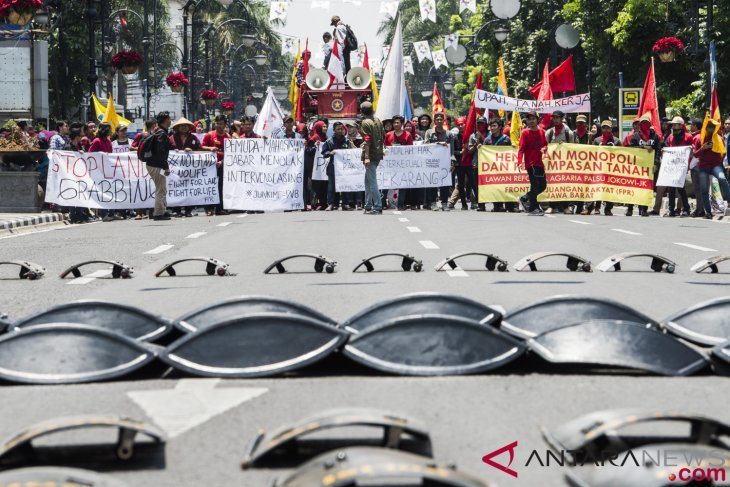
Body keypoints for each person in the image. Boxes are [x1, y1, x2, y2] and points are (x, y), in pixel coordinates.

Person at [627, 113, 661, 217]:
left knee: (646, 188)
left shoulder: (655, 136)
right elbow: (632, 149)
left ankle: (644, 209)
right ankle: (630, 208)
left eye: (647, 123)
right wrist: (644, 148)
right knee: (634, 187)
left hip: (649, 167)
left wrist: (656, 164)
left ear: (650, 124)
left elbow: (657, 151)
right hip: (637, 166)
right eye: (643, 123)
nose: (645, 125)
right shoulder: (636, 136)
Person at [694, 118, 729, 219]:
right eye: (709, 127)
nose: (710, 129)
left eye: (712, 127)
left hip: (715, 166)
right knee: (704, 190)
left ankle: (729, 199)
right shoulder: (698, 138)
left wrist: (719, 161)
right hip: (703, 167)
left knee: (722, 178)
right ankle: (708, 213)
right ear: (705, 127)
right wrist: (703, 148)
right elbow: (695, 155)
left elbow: (723, 152)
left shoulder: (719, 138)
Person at [476, 117, 512, 212]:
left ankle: (510, 206)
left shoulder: (506, 139)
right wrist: (481, 147)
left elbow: (511, 153)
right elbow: (484, 155)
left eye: (494, 126)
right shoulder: (487, 140)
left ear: (500, 127)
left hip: (504, 168)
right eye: (491, 126)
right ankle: (497, 205)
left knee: (506, 186)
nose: (492, 128)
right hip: (492, 169)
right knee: (495, 186)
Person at [518, 111, 548, 216]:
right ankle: (532, 208)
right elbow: (521, 149)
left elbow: (545, 144)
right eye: (529, 119)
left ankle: (525, 198)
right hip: (530, 163)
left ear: (537, 120)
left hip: (540, 163)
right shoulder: (525, 133)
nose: (531, 121)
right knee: (534, 186)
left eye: (533, 119)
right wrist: (519, 162)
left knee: (543, 185)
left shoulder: (542, 132)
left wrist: (544, 149)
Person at [544, 110, 575, 214]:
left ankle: (565, 206)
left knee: (564, 184)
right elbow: (545, 146)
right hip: (552, 164)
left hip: (564, 164)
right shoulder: (549, 132)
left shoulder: (568, 133)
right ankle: (551, 206)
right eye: (554, 117)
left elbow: (573, 148)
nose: (555, 120)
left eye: (557, 117)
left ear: (562, 118)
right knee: (551, 184)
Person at [591, 120, 622, 216]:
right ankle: (596, 207)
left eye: (608, 128)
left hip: (612, 169)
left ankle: (608, 208)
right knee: (597, 187)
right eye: (604, 127)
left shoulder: (616, 141)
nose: (606, 129)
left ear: (611, 129)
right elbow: (592, 154)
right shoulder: (597, 141)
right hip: (599, 168)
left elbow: (622, 155)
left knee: (609, 189)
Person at [201, 115, 231, 216]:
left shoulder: (228, 137)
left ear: (225, 125)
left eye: (221, 124)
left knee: (221, 187)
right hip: (210, 166)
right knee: (209, 186)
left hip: (222, 166)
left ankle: (220, 208)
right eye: (217, 123)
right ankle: (209, 208)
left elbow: (230, 153)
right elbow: (201, 147)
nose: (218, 125)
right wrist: (209, 149)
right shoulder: (209, 135)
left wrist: (221, 162)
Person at [663, 116, 692, 217]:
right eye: (673, 125)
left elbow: (690, 151)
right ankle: (671, 210)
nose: (673, 126)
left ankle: (686, 209)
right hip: (672, 165)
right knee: (671, 188)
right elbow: (670, 148)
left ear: (681, 125)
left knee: (680, 188)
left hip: (682, 166)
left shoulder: (688, 137)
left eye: (675, 124)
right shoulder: (671, 137)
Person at [146, 111, 173, 221]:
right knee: (161, 189)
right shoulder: (161, 133)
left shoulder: (160, 132)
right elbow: (160, 152)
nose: (170, 121)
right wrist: (166, 167)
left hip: (155, 164)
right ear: (165, 120)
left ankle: (161, 210)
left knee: (162, 188)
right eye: (169, 118)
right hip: (156, 165)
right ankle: (158, 213)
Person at [321, 121, 355, 211]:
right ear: (334, 130)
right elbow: (323, 153)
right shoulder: (329, 141)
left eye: (342, 129)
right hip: (333, 168)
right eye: (338, 129)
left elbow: (352, 153)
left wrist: (352, 147)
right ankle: (331, 204)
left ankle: (345, 204)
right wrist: (330, 153)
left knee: (345, 185)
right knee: (331, 187)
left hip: (345, 168)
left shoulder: (347, 141)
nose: (340, 130)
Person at [424, 112, 454, 211]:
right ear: (434, 121)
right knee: (432, 182)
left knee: (444, 183)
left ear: (444, 121)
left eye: (441, 119)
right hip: (432, 161)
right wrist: (439, 143)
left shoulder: (449, 134)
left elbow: (452, 150)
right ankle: (433, 203)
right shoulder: (429, 132)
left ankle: (444, 203)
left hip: (444, 162)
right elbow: (426, 145)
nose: (439, 121)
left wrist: (452, 161)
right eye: (437, 119)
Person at [359, 101, 384, 214]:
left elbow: (367, 141)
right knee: (367, 180)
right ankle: (368, 204)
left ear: (362, 111)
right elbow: (382, 136)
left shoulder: (365, 122)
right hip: (378, 153)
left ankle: (378, 205)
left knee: (372, 181)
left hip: (371, 155)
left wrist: (367, 157)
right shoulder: (378, 120)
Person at [384, 115, 413, 211]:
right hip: (391, 164)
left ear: (401, 124)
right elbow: (385, 149)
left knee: (402, 185)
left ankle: (400, 205)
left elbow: (410, 150)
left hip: (403, 164)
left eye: (398, 123)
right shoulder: (388, 135)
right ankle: (385, 203)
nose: (396, 124)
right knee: (387, 183)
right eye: (394, 123)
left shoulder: (408, 135)